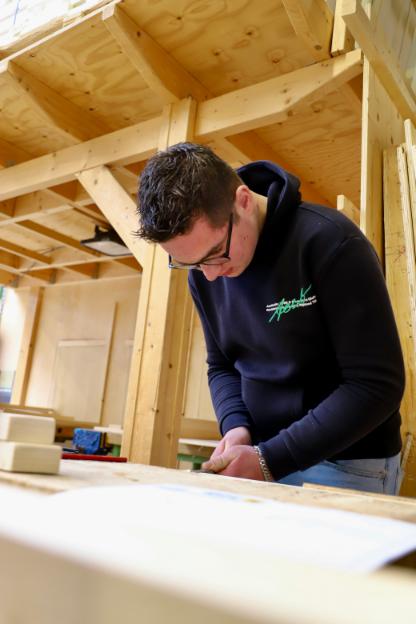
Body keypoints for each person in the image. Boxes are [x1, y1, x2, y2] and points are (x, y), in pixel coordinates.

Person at [136, 142, 405, 494]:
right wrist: (236, 427)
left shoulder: (330, 241)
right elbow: (222, 365)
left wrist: (271, 460)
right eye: (190, 263)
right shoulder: (203, 275)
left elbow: (376, 385)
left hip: (347, 462)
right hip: (260, 454)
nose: (211, 275)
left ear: (244, 201)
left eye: (215, 253)